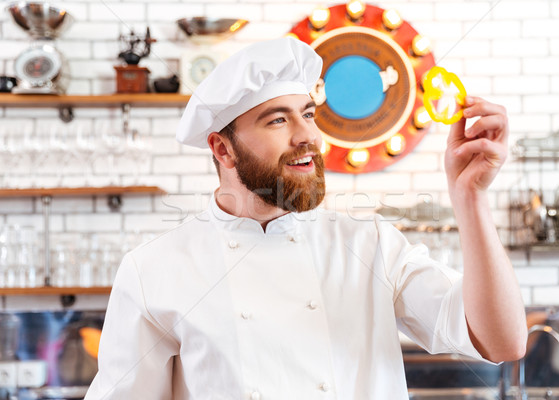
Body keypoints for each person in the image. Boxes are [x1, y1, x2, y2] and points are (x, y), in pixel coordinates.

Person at [84, 37, 527, 399]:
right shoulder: (155, 268)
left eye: (309, 114)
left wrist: (470, 199)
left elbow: (501, 341)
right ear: (221, 148)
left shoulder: (370, 244)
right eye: (278, 120)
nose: (307, 136)